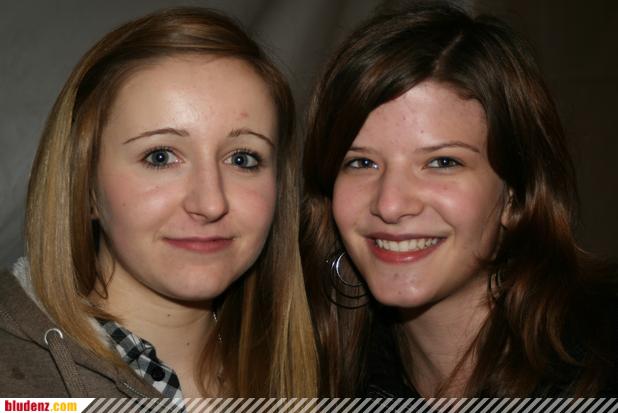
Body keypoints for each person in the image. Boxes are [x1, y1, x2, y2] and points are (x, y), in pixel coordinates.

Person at [301, 1, 617, 397]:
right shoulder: (308, 375)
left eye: (442, 162)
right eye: (362, 162)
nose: (390, 205)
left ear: (517, 195)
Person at [0, 7, 317, 400]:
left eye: (242, 159)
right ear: (85, 188)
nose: (210, 203)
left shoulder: (321, 372)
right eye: (161, 156)